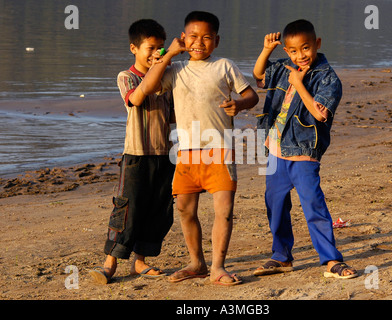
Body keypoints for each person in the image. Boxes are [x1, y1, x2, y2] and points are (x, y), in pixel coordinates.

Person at [141, 11, 259, 286]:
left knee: (224, 210)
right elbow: (148, 86)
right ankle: (197, 263)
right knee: (184, 209)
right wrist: (169, 54)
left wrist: (239, 105)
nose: (199, 43)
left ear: (216, 41)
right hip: (186, 152)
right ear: (182, 39)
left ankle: (218, 267)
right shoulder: (175, 70)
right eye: (192, 37)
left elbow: (250, 95)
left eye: (206, 38)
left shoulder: (224, 66)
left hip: (220, 150)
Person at [252, 19, 358, 279]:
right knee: (275, 204)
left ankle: (331, 260)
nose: (301, 55)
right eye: (294, 51)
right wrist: (266, 50)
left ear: (317, 44)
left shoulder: (328, 77)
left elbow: (320, 114)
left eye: (306, 48)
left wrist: (299, 83)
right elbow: (259, 77)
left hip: (303, 152)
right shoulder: (283, 67)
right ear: (287, 51)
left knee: (313, 204)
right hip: (275, 149)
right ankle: (281, 255)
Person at [89, 19, 175, 284]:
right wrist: (168, 57)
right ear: (134, 48)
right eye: (151, 48)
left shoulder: (167, 77)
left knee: (159, 209)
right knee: (127, 209)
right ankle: (109, 264)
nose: (156, 53)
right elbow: (137, 98)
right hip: (136, 154)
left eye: (161, 48)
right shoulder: (126, 77)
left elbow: (175, 115)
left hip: (166, 154)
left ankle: (140, 262)